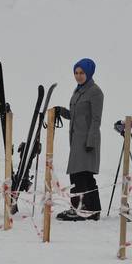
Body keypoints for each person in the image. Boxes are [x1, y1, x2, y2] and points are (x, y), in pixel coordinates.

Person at [55, 58, 104, 221]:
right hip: (76, 140)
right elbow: (75, 115)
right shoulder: (78, 91)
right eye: (76, 73)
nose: (78, 76)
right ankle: (92, 209)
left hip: (87, 140)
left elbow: (96, 119)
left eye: (82, 73)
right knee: (82, 175)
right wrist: (61, 111)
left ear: (89, 73)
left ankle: (81, 209)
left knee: (80, 176)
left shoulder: (95, 92)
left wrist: (91, 141)